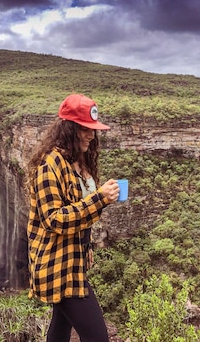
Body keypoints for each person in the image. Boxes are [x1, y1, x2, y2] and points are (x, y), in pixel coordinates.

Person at [26, 93, 120, 342]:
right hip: (57, 265)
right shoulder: (50, 166)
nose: (91, 135)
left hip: (73, 260)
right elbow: (54, 220)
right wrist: (99, 198)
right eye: (85, 129)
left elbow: (79, 210)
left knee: (60, 326)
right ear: (69, 129)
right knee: (98, 337)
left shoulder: (78, 160)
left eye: (93, 129)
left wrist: (85, 244)